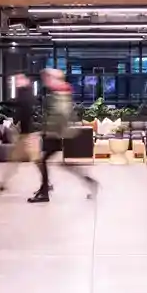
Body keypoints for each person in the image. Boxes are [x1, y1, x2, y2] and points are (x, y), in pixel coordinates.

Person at [34, 67, 98, 203]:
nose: (45, 80)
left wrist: (52, 131)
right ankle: (90, 183)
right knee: (58, 163)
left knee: (43, 161)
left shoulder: (60, 92)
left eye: (47, 77)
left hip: (57, 133)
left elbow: (61, 114)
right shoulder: (59, 91)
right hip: (57, 133)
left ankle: (44, 192)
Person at [0, 72, 42, 194]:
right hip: (25, 132)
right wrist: (4, 104)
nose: (17, 81)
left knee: (36, 160)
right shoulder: (25, 93)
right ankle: (3, 183)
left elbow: (24, 108)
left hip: (28, 133)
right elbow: (18, 104)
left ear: (25, 80)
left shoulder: (27, 93)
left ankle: (46, 183)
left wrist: (14, 119)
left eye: (19, 79)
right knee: (17, 159)